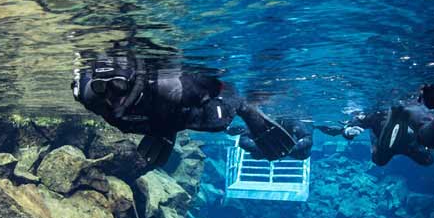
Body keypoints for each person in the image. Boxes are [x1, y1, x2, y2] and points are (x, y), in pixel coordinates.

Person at [72, 53, 296, 165]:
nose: (111, 96)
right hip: (158, 119)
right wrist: (162, 131)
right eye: (102, 87)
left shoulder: (173, 88)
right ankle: (163, 127)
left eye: (119, 85)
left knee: (216, 121)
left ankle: (246, 108)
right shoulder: (91, 95)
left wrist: (244, 108)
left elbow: (221, 86)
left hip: (180, 110)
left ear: (132, 81)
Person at [318, 108, 434, 167]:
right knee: (380, 159)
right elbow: (357, 122)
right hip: (406, 141)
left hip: (400, 139)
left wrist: (348, 131)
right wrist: (348, 131)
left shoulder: (375, 117)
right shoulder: (375, 116)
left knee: (380, 159)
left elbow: (357, 122)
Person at [238, 118, 314, 160]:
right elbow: (243, 140)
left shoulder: (291, 122)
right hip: (268, 145)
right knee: (256, 156)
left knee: (304, 155)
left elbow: (308, 138)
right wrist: (262, 149)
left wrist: (291, 149)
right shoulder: (260, 122)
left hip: (286, 144)